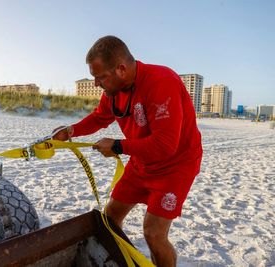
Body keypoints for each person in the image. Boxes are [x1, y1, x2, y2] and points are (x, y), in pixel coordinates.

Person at [53, 35, 202, 267]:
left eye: (100, 77)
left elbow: (165, 144)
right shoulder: (114, 90)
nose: (96, 84)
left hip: (175, 166)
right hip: (142, 161)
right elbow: (100, 117)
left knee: (153, 233)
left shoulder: (161, 81)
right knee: (110, 219)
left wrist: (117, 146)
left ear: (121, 68)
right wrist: (71, 130)